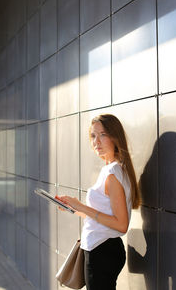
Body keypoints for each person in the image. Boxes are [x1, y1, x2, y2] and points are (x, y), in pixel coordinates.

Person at [58, 114, 141, 290]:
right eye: (93, 135)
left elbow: (121, 225)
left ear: (115, 137)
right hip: (100, 248)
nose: (96, 141)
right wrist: (74, 207)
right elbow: (99, 215)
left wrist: (81, 206)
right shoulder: (111, 169)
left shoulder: (112, 173)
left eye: (102, 134)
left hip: (102, 250)